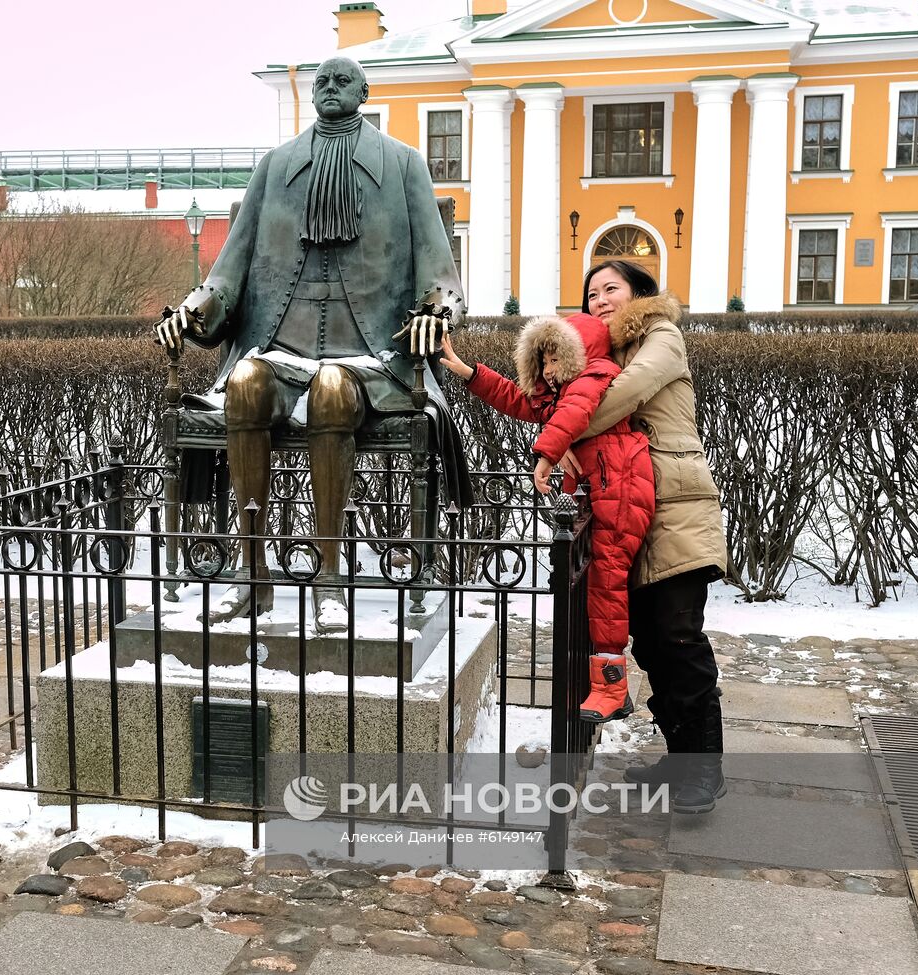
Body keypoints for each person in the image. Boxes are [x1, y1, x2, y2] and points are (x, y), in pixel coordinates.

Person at [155, 55, 468, 632]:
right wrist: (192, 311)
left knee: (331, 391)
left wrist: (436, 314)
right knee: (245, 384)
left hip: (373, 355)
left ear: (364, 92)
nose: (329, 88)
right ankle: (251, 576)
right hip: (281, 349)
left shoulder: (402, 166)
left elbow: (442, 278)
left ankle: (329, 578)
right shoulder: (276, 167)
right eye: (321, 81)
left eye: (341, 80)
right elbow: (227, 273)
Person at [439, 315, 655, 723]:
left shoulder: (596, 373)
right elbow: (521, 401)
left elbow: (573, 412)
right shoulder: (561, 389)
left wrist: (547, 453)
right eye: (544, 362)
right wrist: (470, 373)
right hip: (605, 486)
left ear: (579, 354)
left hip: (620, 486)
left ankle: (612, 686)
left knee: (607, 583)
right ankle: (601, 680)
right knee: (594, 585)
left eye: (556, 359)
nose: (549, 370)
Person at [572, 259, 728, 815]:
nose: (600, 301)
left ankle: (704, 771)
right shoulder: (601, 354)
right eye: (591, 294)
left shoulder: (661, 336)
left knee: (679, 636)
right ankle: (680, 758)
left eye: (611, 289)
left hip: (676, 506)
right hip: (626, 507)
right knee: (650, 642)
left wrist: (561, 427)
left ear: (640, 293)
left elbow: (622, 397)